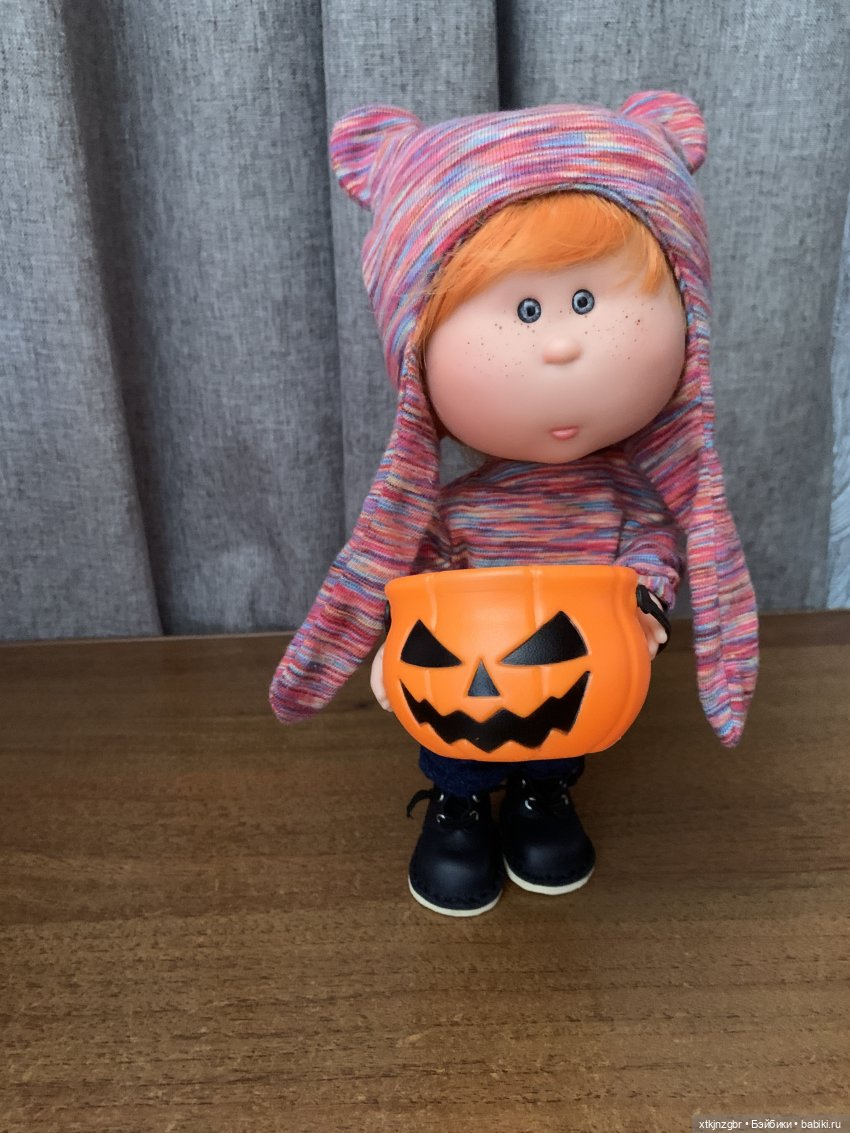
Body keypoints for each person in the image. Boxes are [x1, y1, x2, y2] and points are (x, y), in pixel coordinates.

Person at [269, 93, 759, 917]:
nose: (561, 343)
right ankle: (458, 808)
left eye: (586, 302)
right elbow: (415, 578)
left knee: (556, 742)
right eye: (525, 310)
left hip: (576, 686)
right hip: (462, 686)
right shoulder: (452, 510)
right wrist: (395, 648)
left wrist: (643, 607)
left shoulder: (626, 501)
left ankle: (543, 798)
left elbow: (650, 550)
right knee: (460, 743)